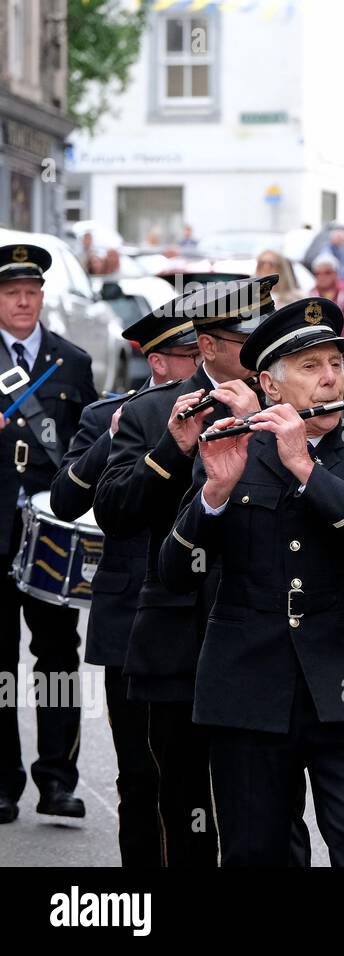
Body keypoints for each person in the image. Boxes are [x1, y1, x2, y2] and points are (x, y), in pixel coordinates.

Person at [156, 297, 344, 866]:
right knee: (254, 852)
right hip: (249, 686)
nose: (327, 380)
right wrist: (214, 495)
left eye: (334, 365)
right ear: (269, 384)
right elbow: (176, 571)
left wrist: (306, 468)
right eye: (309, 367)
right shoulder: (232, 449)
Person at [95, 277, 273, 866]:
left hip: (265, 631)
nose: (262, 352)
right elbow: (115, 512)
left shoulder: (284, 411)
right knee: (183, 805)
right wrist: (172, 451)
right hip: (182, 635)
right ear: (209, 347)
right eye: (248, 341)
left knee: (269, 809)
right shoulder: (150, 412)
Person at [47, 307, 201, 862]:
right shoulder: (109, 414)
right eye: (187, 354)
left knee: (200, 772)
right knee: (140, 773)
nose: (199, 361)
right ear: (157, 361)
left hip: (199, 612)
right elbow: (65, 499)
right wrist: (109, 439)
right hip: (131, 616)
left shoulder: (228, 408)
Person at [0, 243, 98, 825]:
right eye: (12, 292)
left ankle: (57, 780)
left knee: (59, 659)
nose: (22, 301)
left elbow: (85, 449)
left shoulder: (72, 362)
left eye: (31, 291)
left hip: (52, 542)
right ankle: (3, 782)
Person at [309, 253, 344, 396]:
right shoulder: (311, 294)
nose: (322, 276)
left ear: (335, 273)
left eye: (327, 272)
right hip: (319, 349)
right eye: (318, 273)